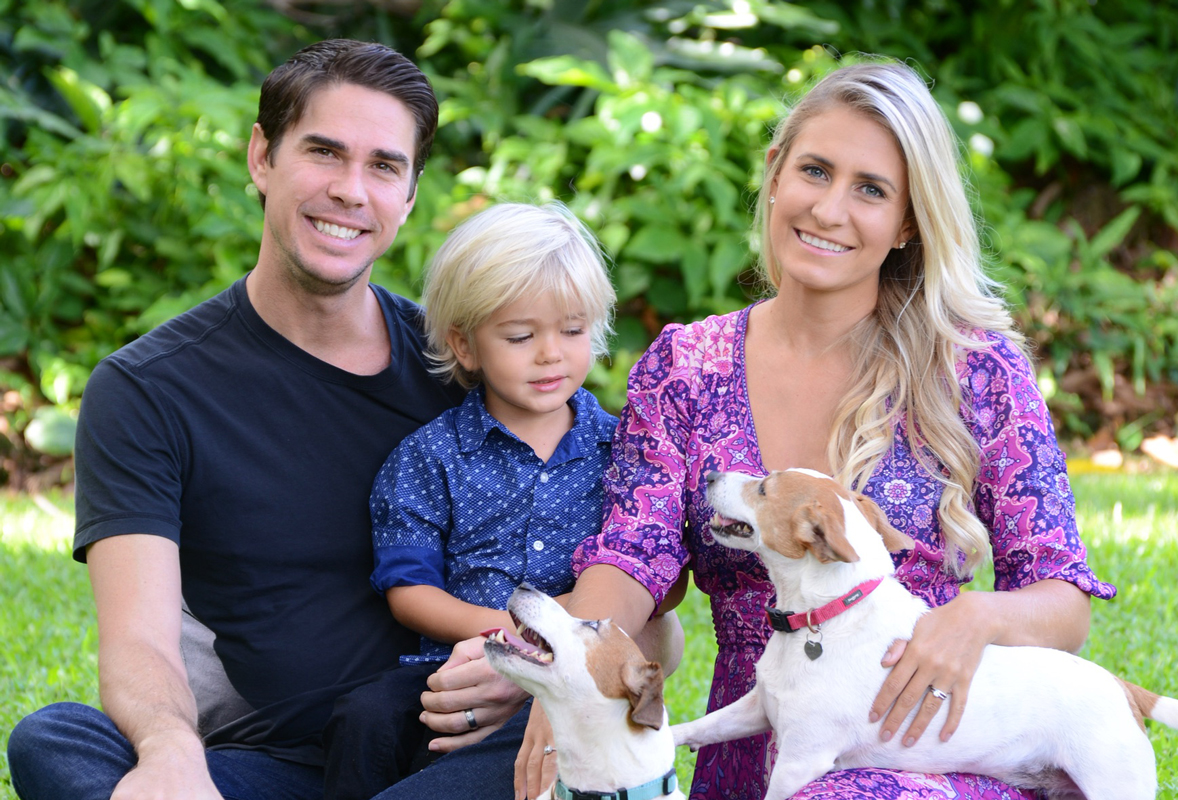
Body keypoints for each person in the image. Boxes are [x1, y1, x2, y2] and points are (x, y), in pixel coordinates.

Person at [551, 59, 1117, 800]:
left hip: (938, 755)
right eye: (815, 170)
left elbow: (1061, 600)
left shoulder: (977, 372)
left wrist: (975, 618)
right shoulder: (685, 367)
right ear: (775, 172)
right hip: (763, 756)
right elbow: (632, 558)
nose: (828, 209)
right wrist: (570, 667)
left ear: (908, 222)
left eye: (871, 190)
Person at [3, 38, 516, 800]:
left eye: (383, 166)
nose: (350, 190)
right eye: (323, 152)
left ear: (408, 196)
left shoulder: (465, 365)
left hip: (449, 745)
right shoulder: (148, 390)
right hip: (275, 768)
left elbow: (627, 581)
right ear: (261, 158)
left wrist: (523, 668)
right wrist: (171, 751)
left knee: (536, 750)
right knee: (54, 739)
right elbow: (139, 640)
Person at [320, 201, 620, 800]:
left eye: (572, 330)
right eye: (520, 336)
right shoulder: (431, 456)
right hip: (455, 670)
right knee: (366, 717)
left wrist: (552, 640)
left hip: (581, 671)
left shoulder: (621, 451)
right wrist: (504, 639)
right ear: (465, 344)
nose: (550, 353)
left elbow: (651, 575)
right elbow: (410, 590)